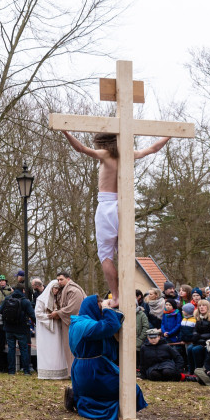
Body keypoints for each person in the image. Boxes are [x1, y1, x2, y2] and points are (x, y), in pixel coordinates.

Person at [60, 130, 171, 307]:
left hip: (106, 206)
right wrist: (169, 135)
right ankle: (129, 294)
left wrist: (65, 132)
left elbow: (80, 148)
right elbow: (153, 148)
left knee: (105, 255)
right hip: (125, 206)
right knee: (124, 252)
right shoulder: (129, 155)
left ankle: (118, 296)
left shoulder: (105, 154)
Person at [63, 296, 147, 420]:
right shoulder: (83, 325)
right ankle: (108, 409)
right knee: (131, 389)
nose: (102, 312)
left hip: (87, 369)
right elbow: (110, 325)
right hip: (93, 371)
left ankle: (81, 402)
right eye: (100, 308)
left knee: (96, 394)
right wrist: (107, 308)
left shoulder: (80, 322)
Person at [50, 272, 86, 372]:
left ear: (68, 279)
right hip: (69, 322)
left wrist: (58, 313)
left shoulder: (74, 290)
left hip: (74, 323)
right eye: (58, 280)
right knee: (69, 348)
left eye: (61, 279)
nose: (59, 281)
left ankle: (75, 372)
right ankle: (72, 371)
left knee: (73, 348)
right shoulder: (65, 290)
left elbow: (73, 308)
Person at [34, 280, 68, 379]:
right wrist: (50, 316)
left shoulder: (59, 299)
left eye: (58, 289)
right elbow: (38, 314)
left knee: (58, 349)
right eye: (55, 288)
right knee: (47, 350)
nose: (57, 291)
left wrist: (58, 314)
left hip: (57, 328)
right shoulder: (41, 299)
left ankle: (60, 372)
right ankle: (46, 372)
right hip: (46, 329)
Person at [1, 284, 34, 376]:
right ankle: (26, 371)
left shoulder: (7, 299)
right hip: (21, 329)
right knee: (24, 349)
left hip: (8, 328)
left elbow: (0, 310)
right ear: (23, 290)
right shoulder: (25, 301)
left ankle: (11, 370)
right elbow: (32, 315)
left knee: (11, 349)